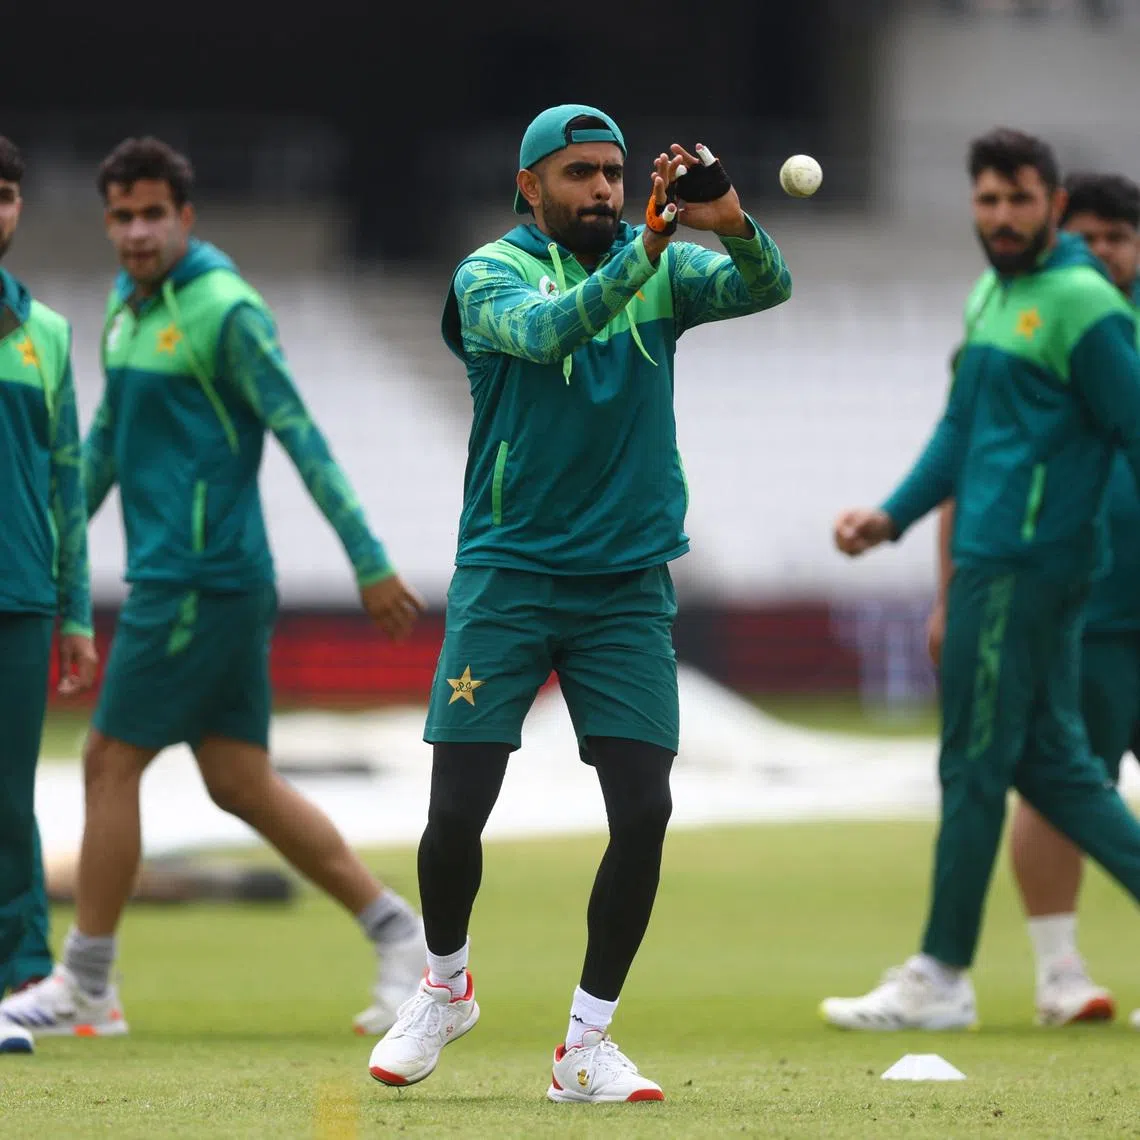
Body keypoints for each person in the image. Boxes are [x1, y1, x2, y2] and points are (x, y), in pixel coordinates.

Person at [367, 103, 792, 1101]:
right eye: (580, 175)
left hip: (627, 585)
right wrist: (651, 241)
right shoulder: (488, 276)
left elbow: (769, 285)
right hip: (509, 575)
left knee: (644, 809)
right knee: (457, 811)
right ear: (530, 188)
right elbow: (558, 326)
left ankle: (586, 1045)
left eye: (613, 172)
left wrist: (728, 217)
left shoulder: (666, 269)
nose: (603, 188)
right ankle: (444, 987)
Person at [0, 137, 427, 1041]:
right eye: (121, 216)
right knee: (240, 782)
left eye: (154, 214)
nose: (136, 233)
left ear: (186, 218)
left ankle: (84, 984)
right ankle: (401, 935)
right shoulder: (126, 308)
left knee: (109, 761)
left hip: (194, 578)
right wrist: (48, 549)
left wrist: (368, 556)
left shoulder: (226, 310)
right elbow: (108, 441)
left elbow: (298, 431)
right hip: (210, 581)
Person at [820, 128, 1140, 1031]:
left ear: (1054, 205)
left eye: (1019, 200)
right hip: (996, 564)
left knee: (971, 768)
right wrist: (891, 517)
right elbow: (960, 435)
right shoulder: (993, 294)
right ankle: (944, 972)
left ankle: (942, 976)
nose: (1001, 217)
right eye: (988, 201)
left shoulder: (1082, 303)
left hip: (1026, 569)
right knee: (1058, 771)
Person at [927, 171, 1140, 1027]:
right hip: (1083, 613)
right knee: (1058, 782)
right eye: (1086, 236)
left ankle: (941, 970)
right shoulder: (1023, 318)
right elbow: (970, 463)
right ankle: (1060, 972)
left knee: (1054, 778)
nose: (1101, 252)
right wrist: (949, 594)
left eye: (1119, 238)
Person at [0, 137, 98, 1055]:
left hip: (22, 592)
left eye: (5, 195)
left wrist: (73, 610)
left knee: (8, 792)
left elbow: (66, 481)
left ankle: (23, 978)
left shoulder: (49, 333)